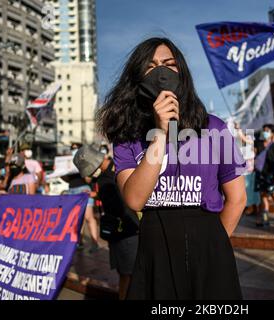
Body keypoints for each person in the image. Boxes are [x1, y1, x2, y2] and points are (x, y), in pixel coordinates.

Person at [97, 37, 246, 300]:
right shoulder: (127, 133)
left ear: (182, 72)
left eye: (169, 64)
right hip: (155, 246)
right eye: (151, 66)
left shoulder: (214, 127)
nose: (161, 72)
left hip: (209, 243)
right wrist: (160, 134)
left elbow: (236, 198)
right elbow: (134, 198)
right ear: (138, 77)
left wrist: (214, 246)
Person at [73, 145, 139, 300]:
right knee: (126, 274)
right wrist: (95, 195)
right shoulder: (117, 168)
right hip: (120, 231)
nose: (89, 175)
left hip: (126, 231)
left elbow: (122, 203)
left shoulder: (110, 176)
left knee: (128, 274)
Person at [63, 142, 100, 252]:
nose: (73, 150)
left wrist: (81, 167)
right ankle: (79, 242)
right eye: (72, 148)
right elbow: (67, 179)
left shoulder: (85, 160)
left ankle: (95, 243)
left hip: (84, 189)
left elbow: (89, 179)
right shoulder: (69, 162)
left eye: (76, 148)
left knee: (89, 217)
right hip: (72, 190)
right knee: (77, 218)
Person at [254, 124, 274, 228]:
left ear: (272, 133)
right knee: (263, 196)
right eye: (264, 130)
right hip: (260, 174)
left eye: (267, 130)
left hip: (271, 175)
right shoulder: (258, 144)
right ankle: (265, 219)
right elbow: (253, 154)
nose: (265, 132)